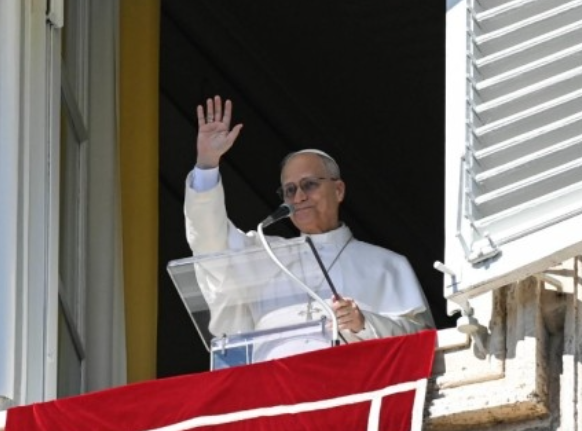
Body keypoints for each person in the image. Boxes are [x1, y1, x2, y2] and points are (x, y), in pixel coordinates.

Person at [184, 96, 434, 349]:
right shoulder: (265, 256)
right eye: (289, 190)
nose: (299, 196)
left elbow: (422, 342)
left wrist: (364, 323)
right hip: (272, 385)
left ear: (338, 190)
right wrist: (207, 165)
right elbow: (209, 241)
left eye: (309, 185)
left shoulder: (386, 265)